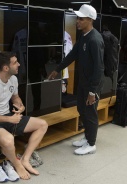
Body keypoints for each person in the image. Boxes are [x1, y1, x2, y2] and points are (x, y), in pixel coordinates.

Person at [0, 52, 48, 180]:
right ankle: (17, 164)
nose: (19, 64)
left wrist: (20, 106)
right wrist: (10, 119)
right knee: (9, 139)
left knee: (42, 124)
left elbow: (15, 98)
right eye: (15, 62)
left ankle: (25, 159)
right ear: (6, 68)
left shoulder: (13, 79)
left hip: (9, 116)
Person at [48, 4, 104, 155]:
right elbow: (72, 55)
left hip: (92, 85)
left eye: (81, 19)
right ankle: (87, 137)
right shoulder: (83, 37)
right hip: (83, 82)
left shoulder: (95, 40)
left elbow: (99, 68)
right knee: (81, 109)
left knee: (90, 113)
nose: (77, 21)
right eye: (77, 18)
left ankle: (91, 144)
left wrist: (93, 91)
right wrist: (57, 69)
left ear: (90, 20)